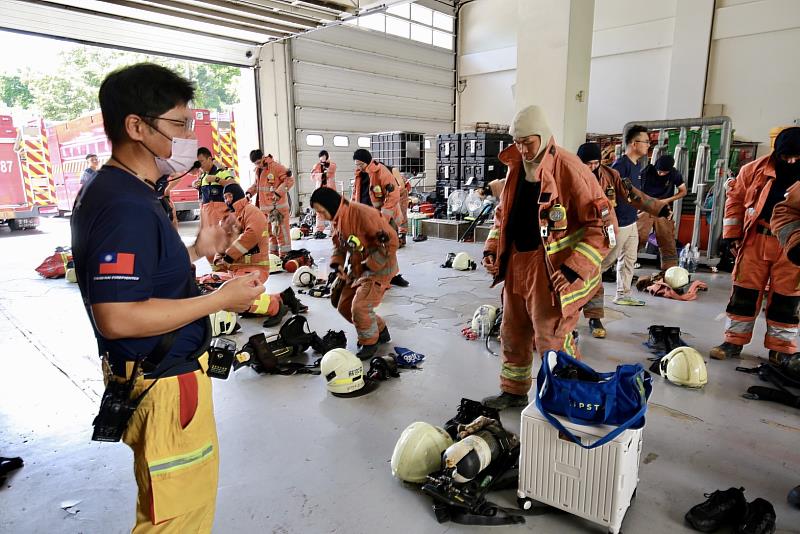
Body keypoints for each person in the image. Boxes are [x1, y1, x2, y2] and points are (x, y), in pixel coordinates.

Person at [70, 63, 265, 533]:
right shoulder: (123, 205)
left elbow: (145, 273)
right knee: (178, 518)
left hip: (158, 372)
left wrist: (200, 250)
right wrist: (220, 300)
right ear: (136, 126)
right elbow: (118, 316)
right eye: (178, 124)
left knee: (172, 506)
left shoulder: (126, 189)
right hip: (165, 381)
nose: (188, 137)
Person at [481, 105, 614, 409]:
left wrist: (573, 269)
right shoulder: (516, 167)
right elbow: (502, 217)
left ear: (542, 136)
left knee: (551, 339)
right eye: (517, 143)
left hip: (550, 271)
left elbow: (604, 228)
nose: (523, 150)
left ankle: (569, 400)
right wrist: (492, 249)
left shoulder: (571, 169)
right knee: (512, 333)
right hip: (517, 263)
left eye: (528, 143)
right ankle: (514, 391)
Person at [711, 127, 800, 361]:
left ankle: (781, 349)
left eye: (797, 157)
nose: (790, 161)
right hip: (756, 239)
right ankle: (733, 342)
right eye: (785, 156)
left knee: (787, 298)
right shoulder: (753, 170)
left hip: (792, 246)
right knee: (744, 292)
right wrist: (731, 234)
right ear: (776, 153)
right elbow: (736, 200)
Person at [577, 142, 670, 338]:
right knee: (573, 279)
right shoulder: (569, 177)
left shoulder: (611, 176)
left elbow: (632, 195)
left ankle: (594, 317)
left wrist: (658, 207)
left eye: (595, 163)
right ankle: (567, 318)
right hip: (575, 237)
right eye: (587, 163)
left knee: (594, 276)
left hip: (600, 235)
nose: (592, 167)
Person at [311, 186, 398, 360]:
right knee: (343, 306)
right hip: (359, 268)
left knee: (360, 307)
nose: (321, 216)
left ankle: (369, 343)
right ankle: (380, 330)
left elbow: (392, 242)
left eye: (321, 211)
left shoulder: (363, 214)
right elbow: (339, 245)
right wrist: (338, 265)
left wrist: (370, 266)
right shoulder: (338, 219)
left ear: (331, 205)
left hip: (379, 269)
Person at [217, 183, 306, 326]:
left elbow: (252, 235)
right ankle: (282, 298)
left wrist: (228, 256)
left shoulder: (252, 212)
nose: (227, 200)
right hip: (237, 269)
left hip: (254, 268)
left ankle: (276, 308)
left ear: (237, 195)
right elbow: (221, 239)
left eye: (229, 196)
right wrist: (218, 258)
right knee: (227, 296)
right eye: (225, 197)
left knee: (239, 297)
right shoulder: (230, 217)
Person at [351, 149, 409, 287]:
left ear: (367, 161)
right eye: (356, 164)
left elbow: (393, 195)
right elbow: (355, 194)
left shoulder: (381, 172)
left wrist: (383, 218)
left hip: (383, 217)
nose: (358, 166)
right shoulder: (359, 174)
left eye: (360, 164)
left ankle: (392, 276)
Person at [610, 124, 650, 306]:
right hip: (620, 222)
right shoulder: (621, 165)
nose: (648, 145)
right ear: (634, 143)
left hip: (631, 221)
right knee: (607, 260)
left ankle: (623, 294)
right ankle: (585, 292)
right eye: (646, 142)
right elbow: (611, 194)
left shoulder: (636, 166)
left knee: (629, 259)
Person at [637, 154, 686, 269]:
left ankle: (670, 269)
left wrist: (666, 201)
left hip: (663, 207)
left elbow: (683, 191)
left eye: (664, 172)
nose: (661, 174)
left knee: (667, 238)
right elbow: (637, 188)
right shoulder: (647, 171)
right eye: (659, 171)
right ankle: (627, 263)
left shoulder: (674, 174)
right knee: (638, 236)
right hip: (647, 204)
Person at [247, 149, 294, 258]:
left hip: (278, 209)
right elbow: (256, 186)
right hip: (265, 210)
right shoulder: (258, 171)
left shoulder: (276, 167)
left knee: (282, 234)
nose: (258, 165)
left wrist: (278, 193)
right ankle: (274, 257)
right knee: (271, 234)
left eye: (259, 162)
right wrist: (249, 193)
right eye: (255, 164)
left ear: (263, 157)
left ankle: (285, 256)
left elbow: (289, 180)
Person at [196, 147, 236, 263]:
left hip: (222, 221)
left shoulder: (222, 172)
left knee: (224, 246)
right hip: (208, 221)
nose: (200, 165)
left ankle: (226, 273)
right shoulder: (202, 177)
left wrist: (216, 179)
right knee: (209, 248)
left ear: (209, 159)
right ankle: (215, 273)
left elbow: (233, 184)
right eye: (198, 163)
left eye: (202, 161)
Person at [310, 150, 337, 238]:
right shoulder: (316, 166)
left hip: (330, 193)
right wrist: (322, 176)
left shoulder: (332, 165)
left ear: (327, 158)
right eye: (321, 161)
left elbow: (332, 169)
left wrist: (327, 166)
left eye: (324, 160)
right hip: (320, 193)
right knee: (319, 212)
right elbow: (313, 176)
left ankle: (334, 230)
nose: (322, 162)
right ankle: (319, 230)